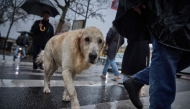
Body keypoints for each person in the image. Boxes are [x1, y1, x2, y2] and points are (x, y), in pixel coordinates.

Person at [113, 0, 190, 109]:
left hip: (185, 11)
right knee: (167, 51)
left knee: (180, 54)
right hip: (166, 9)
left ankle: (137, 80)